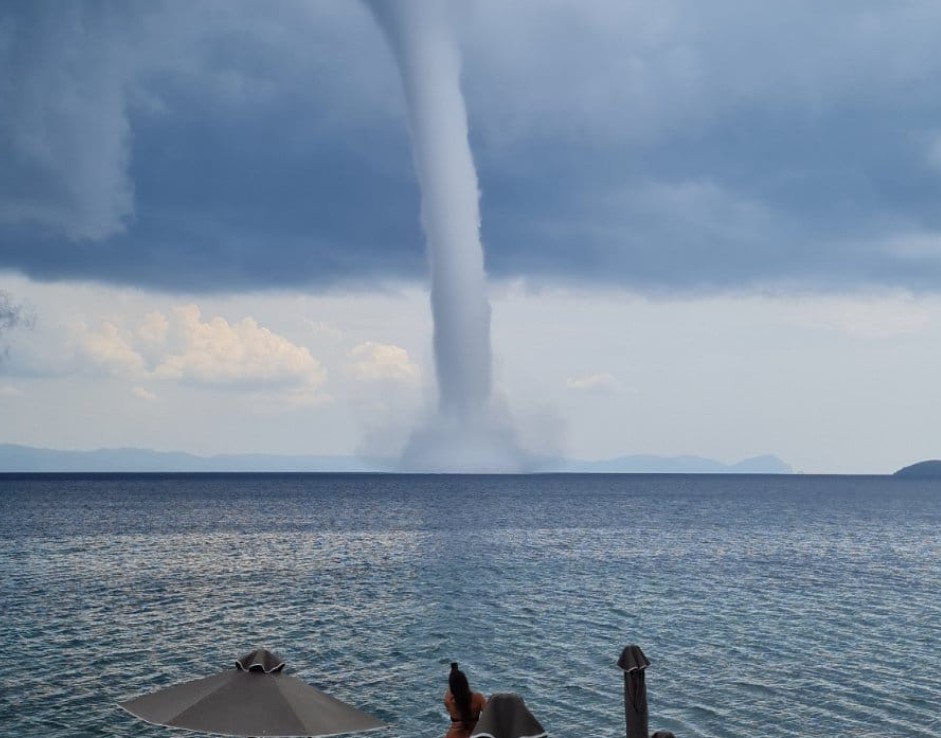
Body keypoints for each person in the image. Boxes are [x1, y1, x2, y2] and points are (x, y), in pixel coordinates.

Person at [443, 662, 487, 738]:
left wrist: (453, 675)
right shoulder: (478, 698)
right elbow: (490, 714)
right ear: (466, 683)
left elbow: (451, 690)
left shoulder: (448, 701)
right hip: (474, 735)